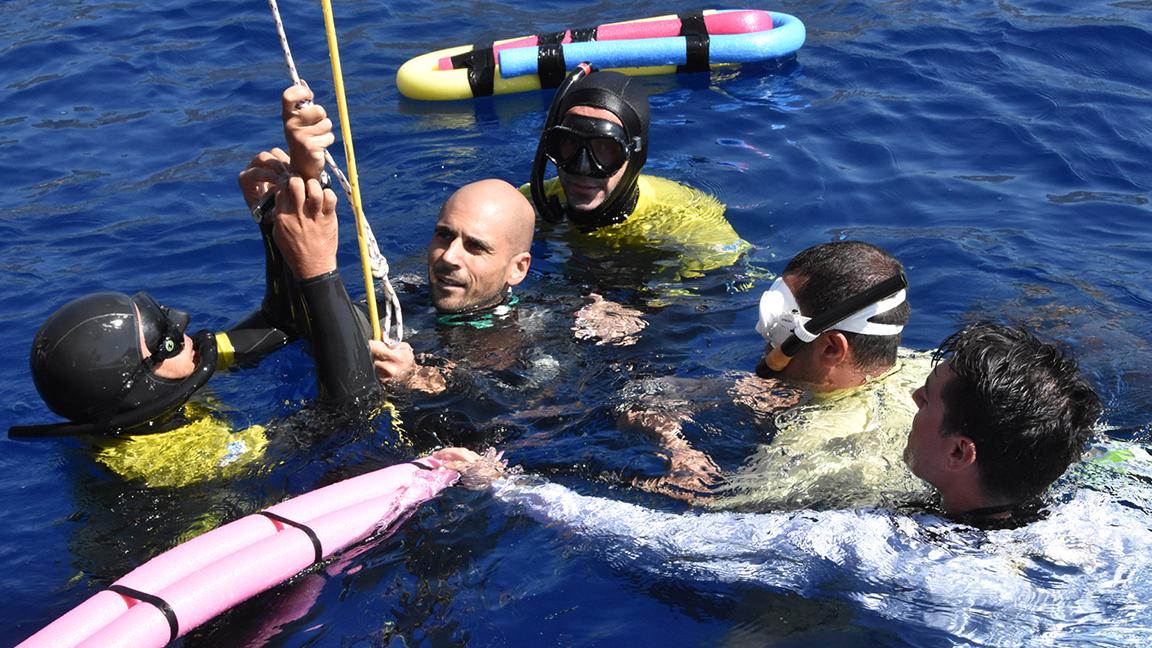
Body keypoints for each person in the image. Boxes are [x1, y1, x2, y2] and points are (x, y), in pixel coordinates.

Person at [8, 86, 378, 485]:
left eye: (160, 315)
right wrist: (319, 271)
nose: (181, 325)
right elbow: (351, 420)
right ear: (142, 388)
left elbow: (282, 327)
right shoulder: (176, 462)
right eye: (164, 337)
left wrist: (275, 214)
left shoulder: (156, 396)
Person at [623, 240, 932, 510]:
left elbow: (705, 517)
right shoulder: (932, 372)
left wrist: (678, 460)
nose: (767, 340)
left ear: (831, 349)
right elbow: (648, 396)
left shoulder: (810, 454)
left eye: (780, 327)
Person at [525, 66, 750, 282]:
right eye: (569, 144)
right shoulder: (531, 203)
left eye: (605, 150)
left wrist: (643, 309)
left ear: (635, 155)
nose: (583, 168)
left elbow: (732, 285)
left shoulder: (683, 219)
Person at [904, 321, 1101, 524]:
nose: (915, 396)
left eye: (926, 399)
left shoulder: (902, 540)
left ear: (958, 452)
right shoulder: (1079, 514)